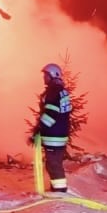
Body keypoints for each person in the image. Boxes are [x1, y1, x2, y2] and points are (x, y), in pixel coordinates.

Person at [33, 63, 73, 194]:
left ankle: (59, 190)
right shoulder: (60, 90)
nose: (43, 78)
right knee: (54, 162)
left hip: (54, 135)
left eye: (46, 75)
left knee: (53, 164)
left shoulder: (53, 91)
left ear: (52, 75)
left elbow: (51, 114)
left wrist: (39, 128)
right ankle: (57, 188)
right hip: (59, 133)